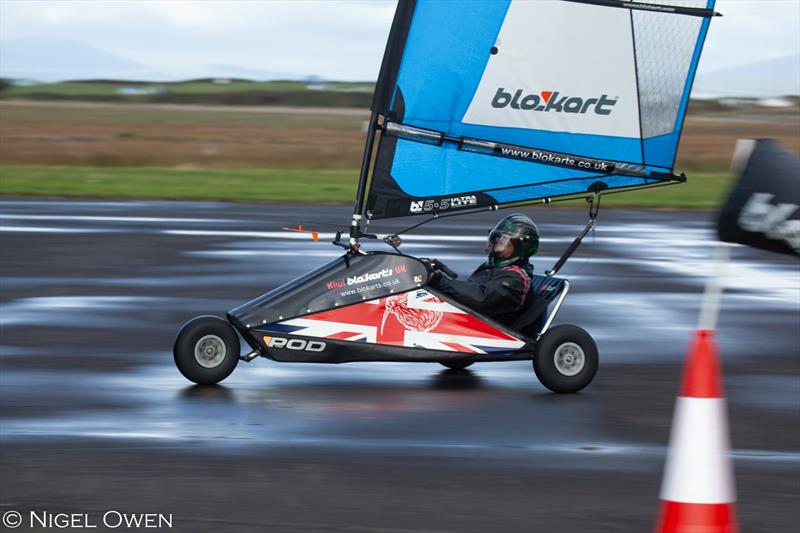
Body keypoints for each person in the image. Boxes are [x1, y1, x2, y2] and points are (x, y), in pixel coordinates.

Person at [425, 213, 540, 327]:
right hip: (466, 319)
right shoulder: (492, 268)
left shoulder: (516, 278)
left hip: (487, 330)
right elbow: (471, 290)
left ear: (521, 247)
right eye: (497, 237)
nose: (498, 241)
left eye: (504, 239)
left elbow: (482, 298)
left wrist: (439, 281)